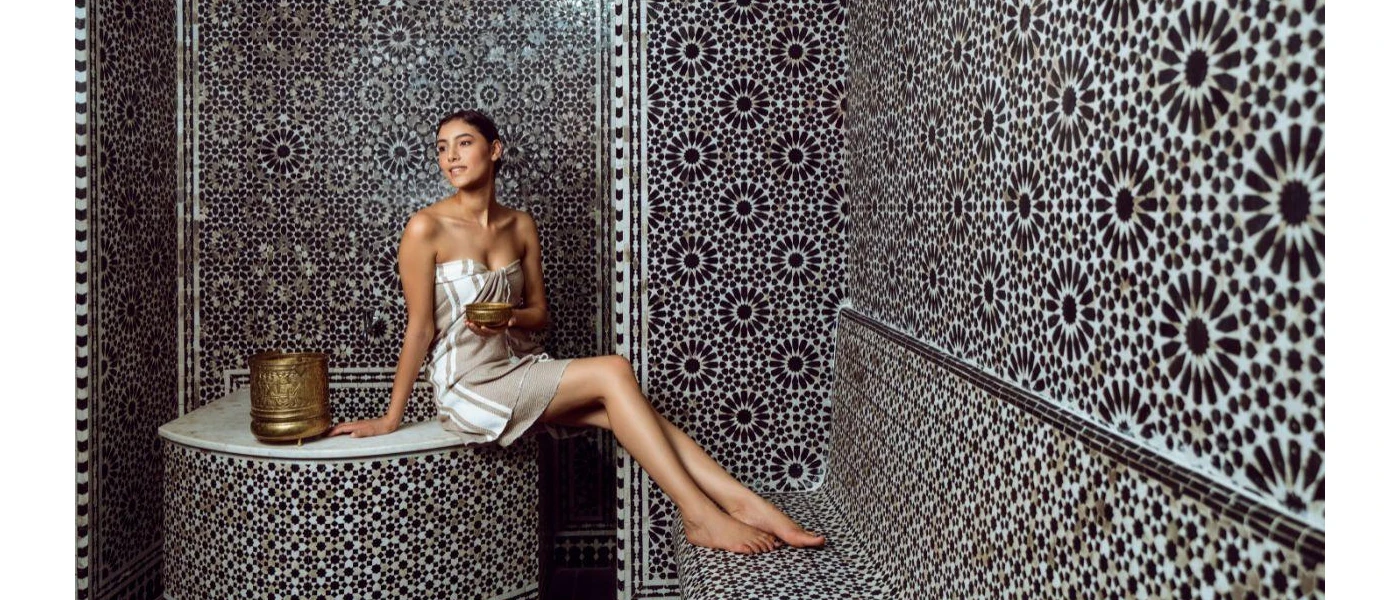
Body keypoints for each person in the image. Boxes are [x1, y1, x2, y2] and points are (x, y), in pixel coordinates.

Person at [330, 110, 826, 555]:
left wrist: (509, 317)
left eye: (463, 143)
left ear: (494, 149)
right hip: (470, 386)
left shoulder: (520, 226)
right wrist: (389, 418)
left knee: (623, 412)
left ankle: (745, 504)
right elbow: (419, 328)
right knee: (614, 372)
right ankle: (700, 516)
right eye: (442, 148)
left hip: (519, 366)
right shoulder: (425, 228)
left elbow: (540, 313)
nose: (450, 157)